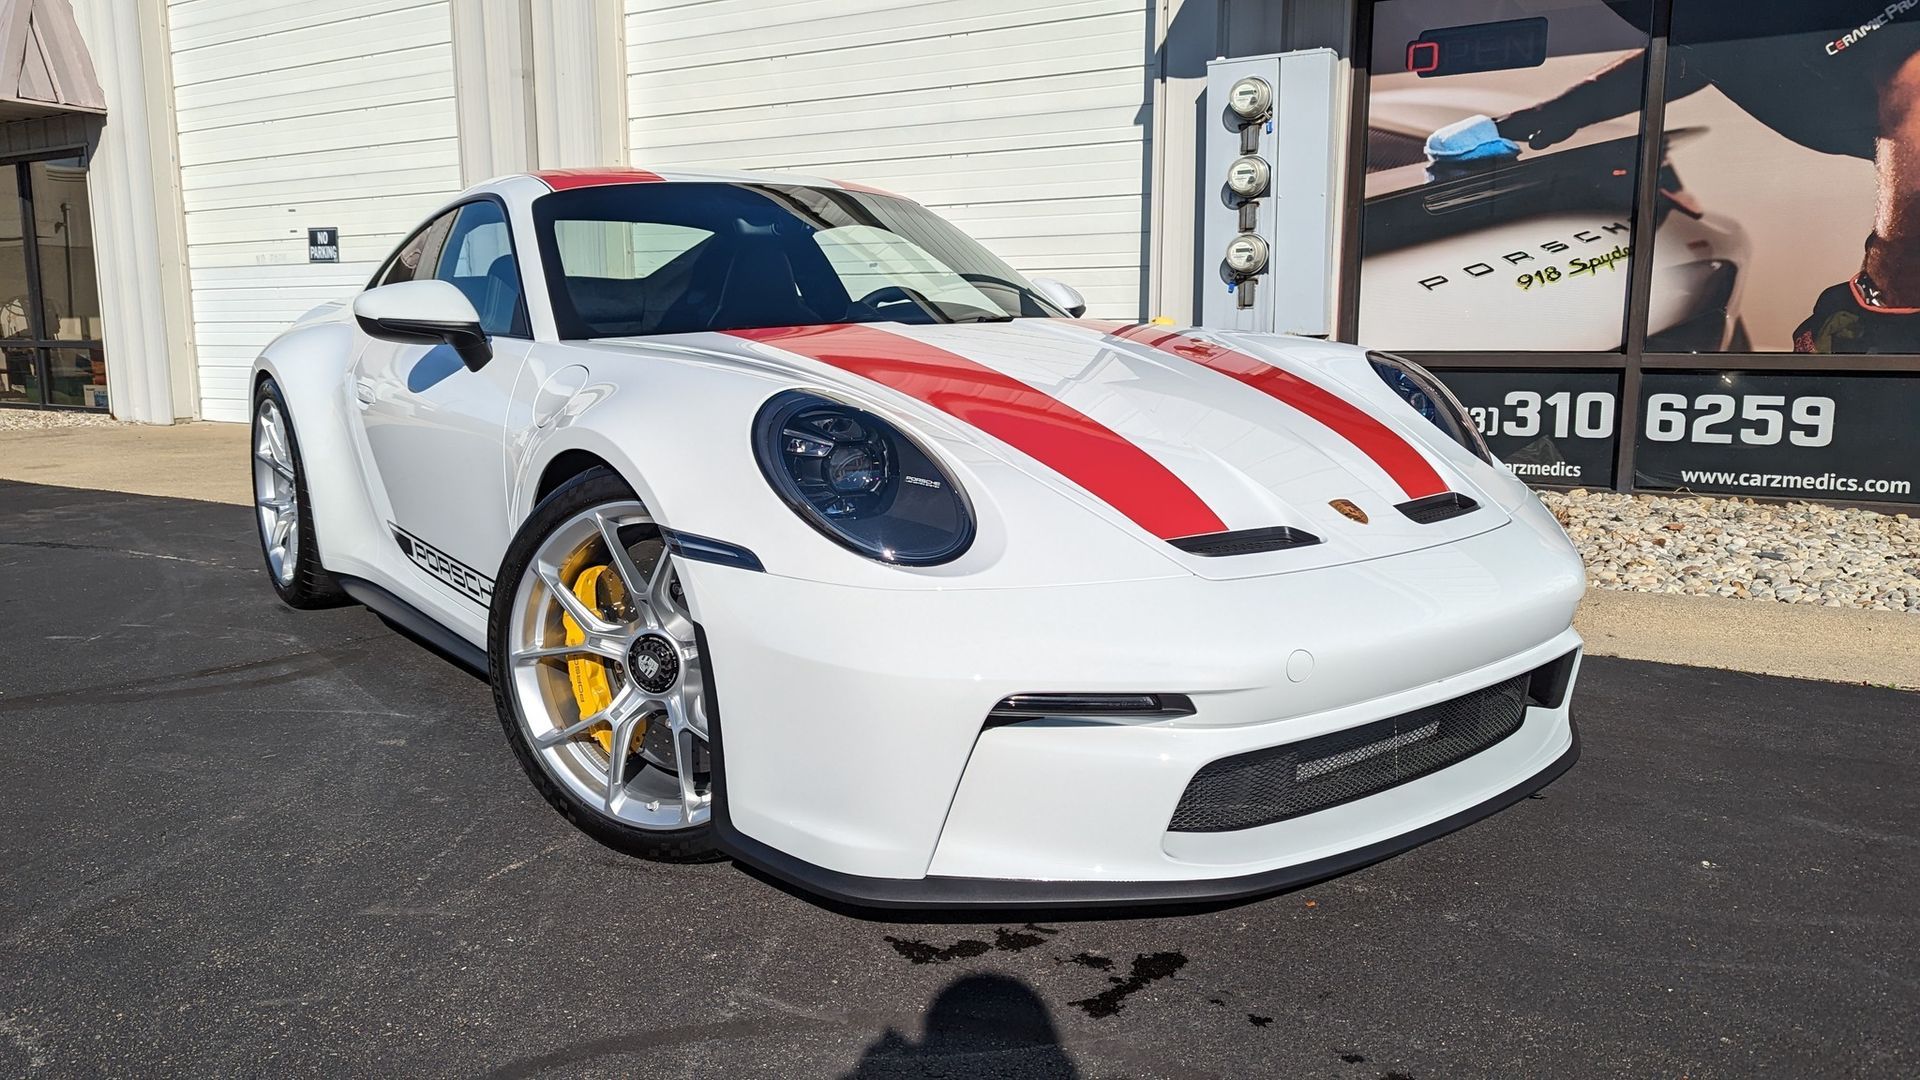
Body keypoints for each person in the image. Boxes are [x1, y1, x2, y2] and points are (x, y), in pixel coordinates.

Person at [1494, 1, 1920, 353]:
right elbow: (1706, 50)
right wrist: (1569, 107)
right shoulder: (1721, 18)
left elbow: (1911, 80)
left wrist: (1882, 294)